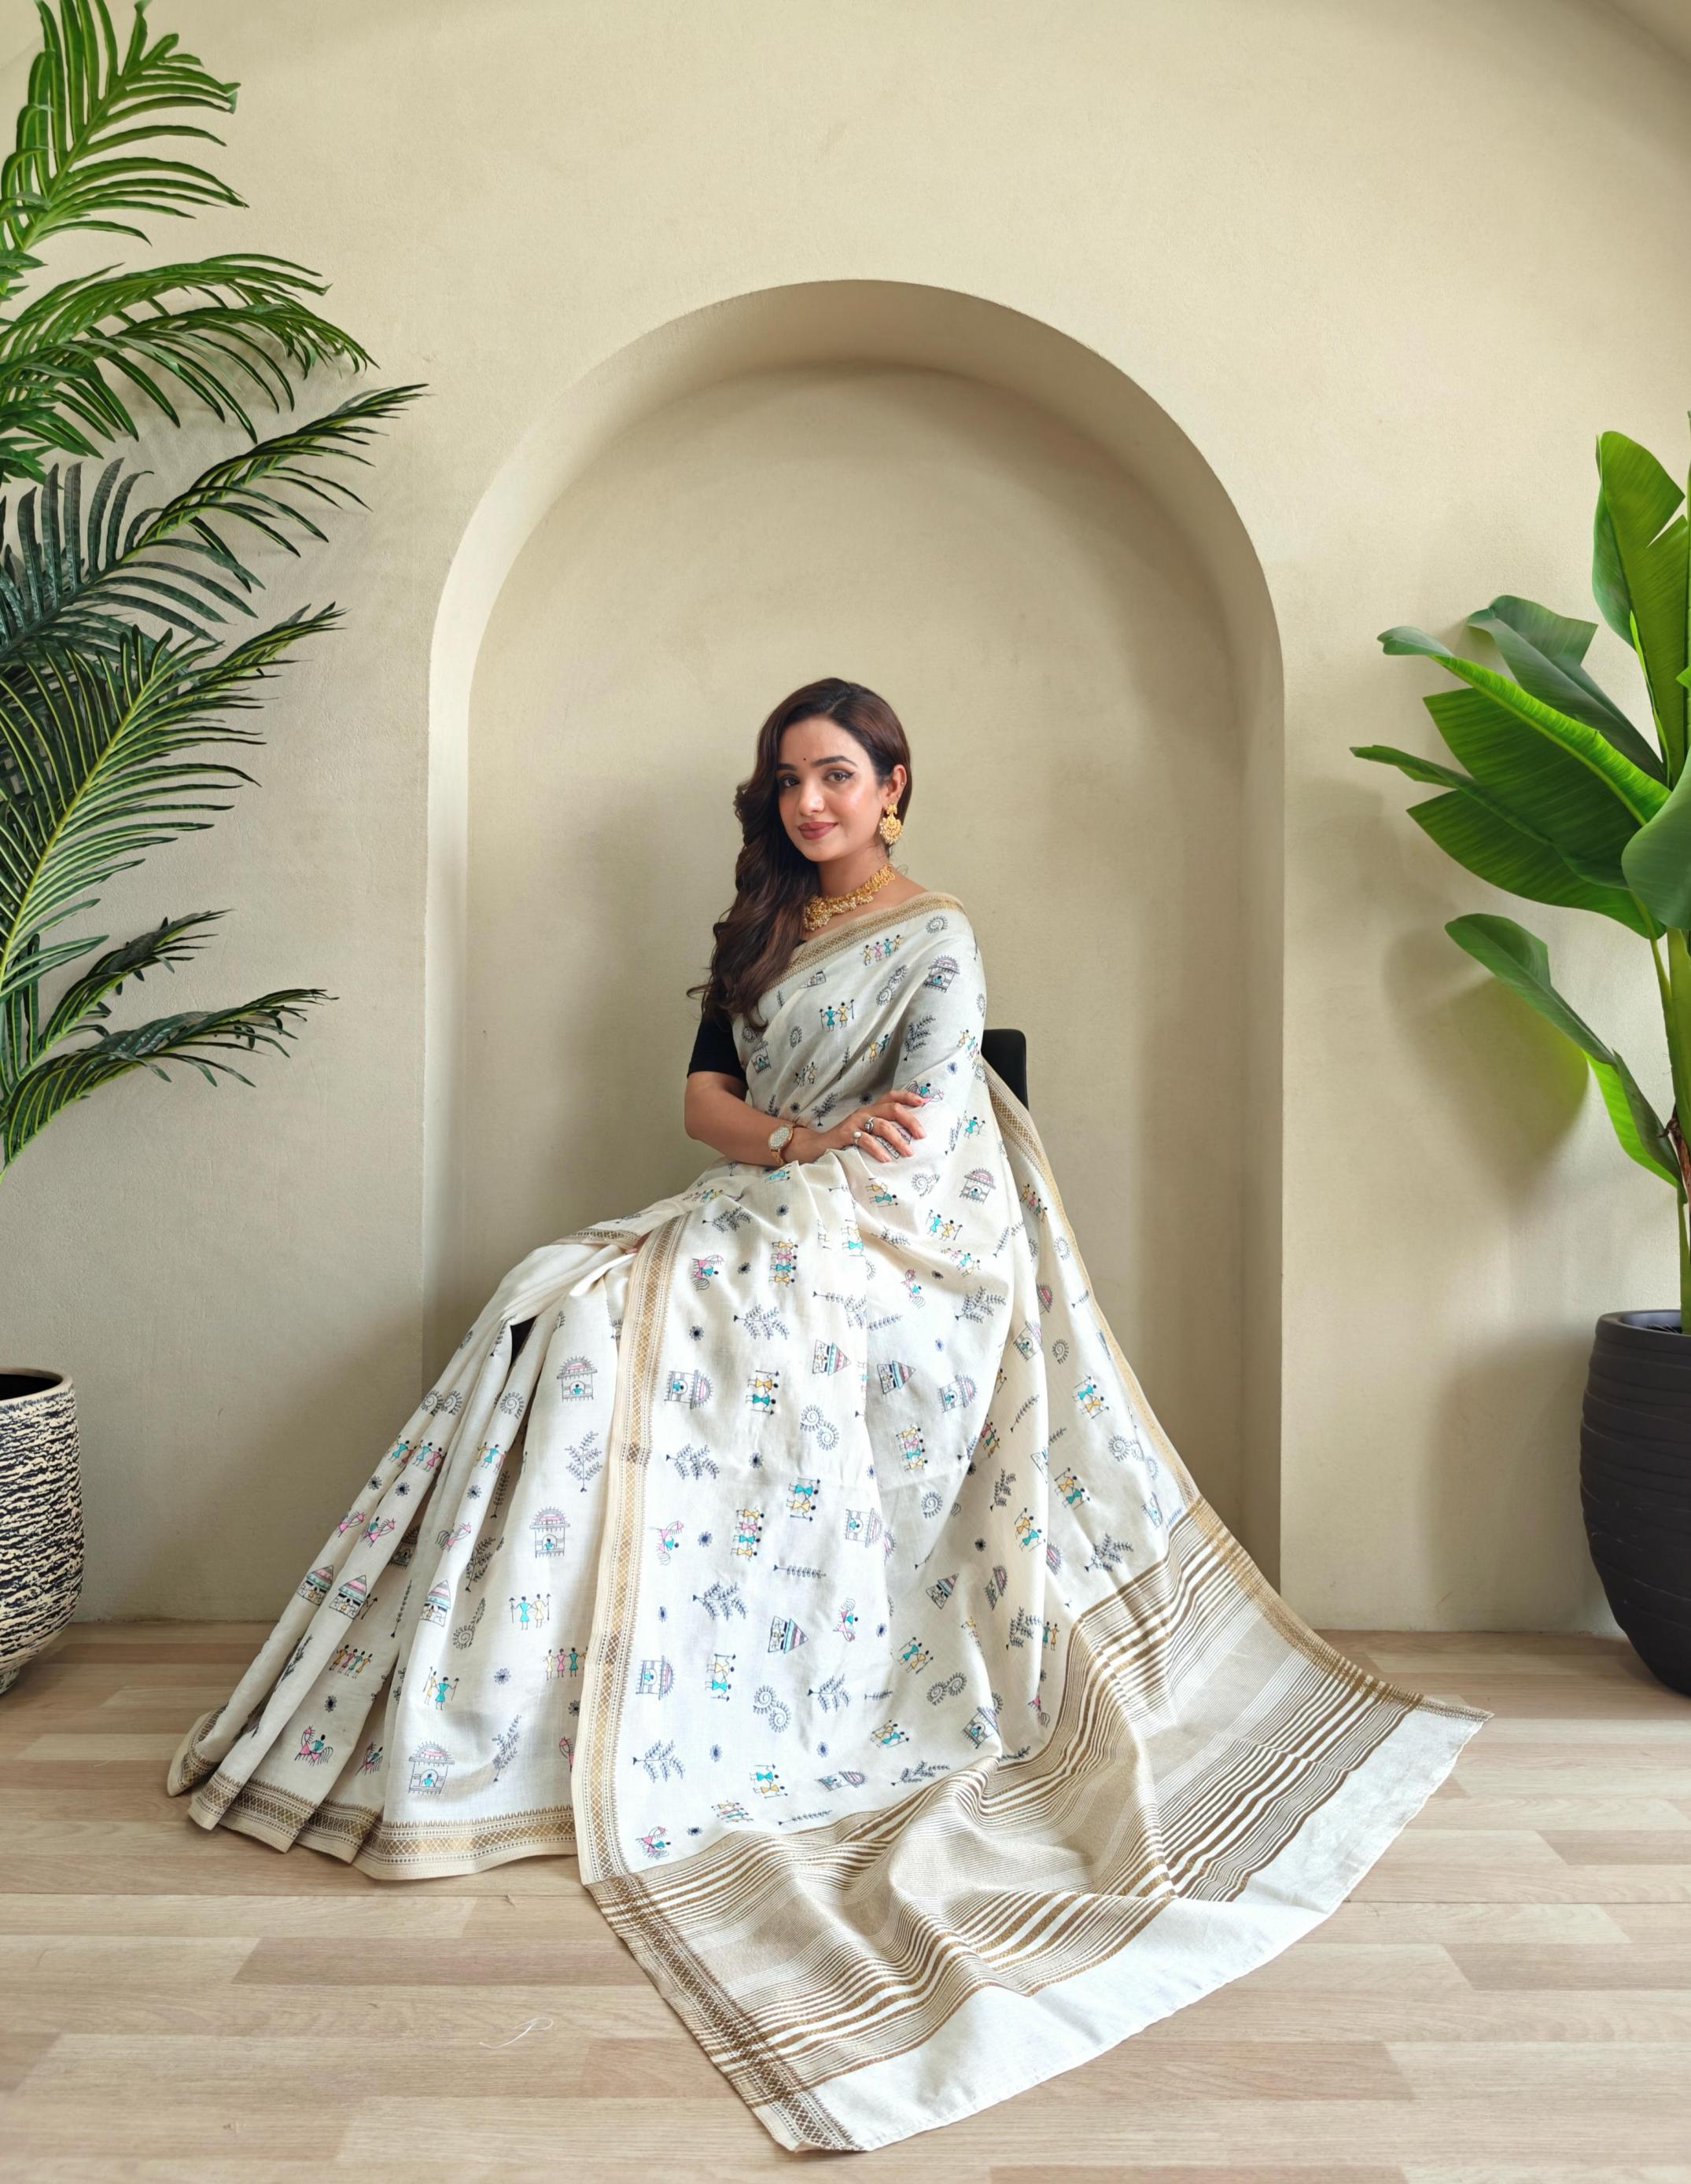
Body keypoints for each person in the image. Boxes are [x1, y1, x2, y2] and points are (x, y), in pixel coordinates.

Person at [165, 676, 1492, 2153]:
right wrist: (794, 1147)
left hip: (895, 1241)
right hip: (773, 1194)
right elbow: (703, 1107)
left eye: (838, 775)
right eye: (790, 779)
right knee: (557, 1305)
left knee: (601, 1319)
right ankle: (504, 1703)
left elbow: (918, 1137)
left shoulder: (937, 937)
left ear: (892, 786)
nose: (810, 802)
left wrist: (807, 1176)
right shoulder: (762, 926)